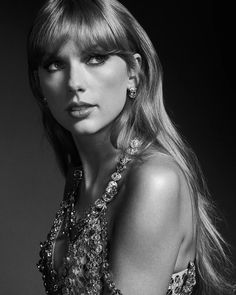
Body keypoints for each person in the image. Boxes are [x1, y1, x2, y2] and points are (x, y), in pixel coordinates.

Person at [27, 0, 235, 294]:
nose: (74, 82)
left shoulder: (155, 181)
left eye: (95, 58)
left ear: (133, 73)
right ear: (40, 85)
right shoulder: (80, 178)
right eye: (55, 64)